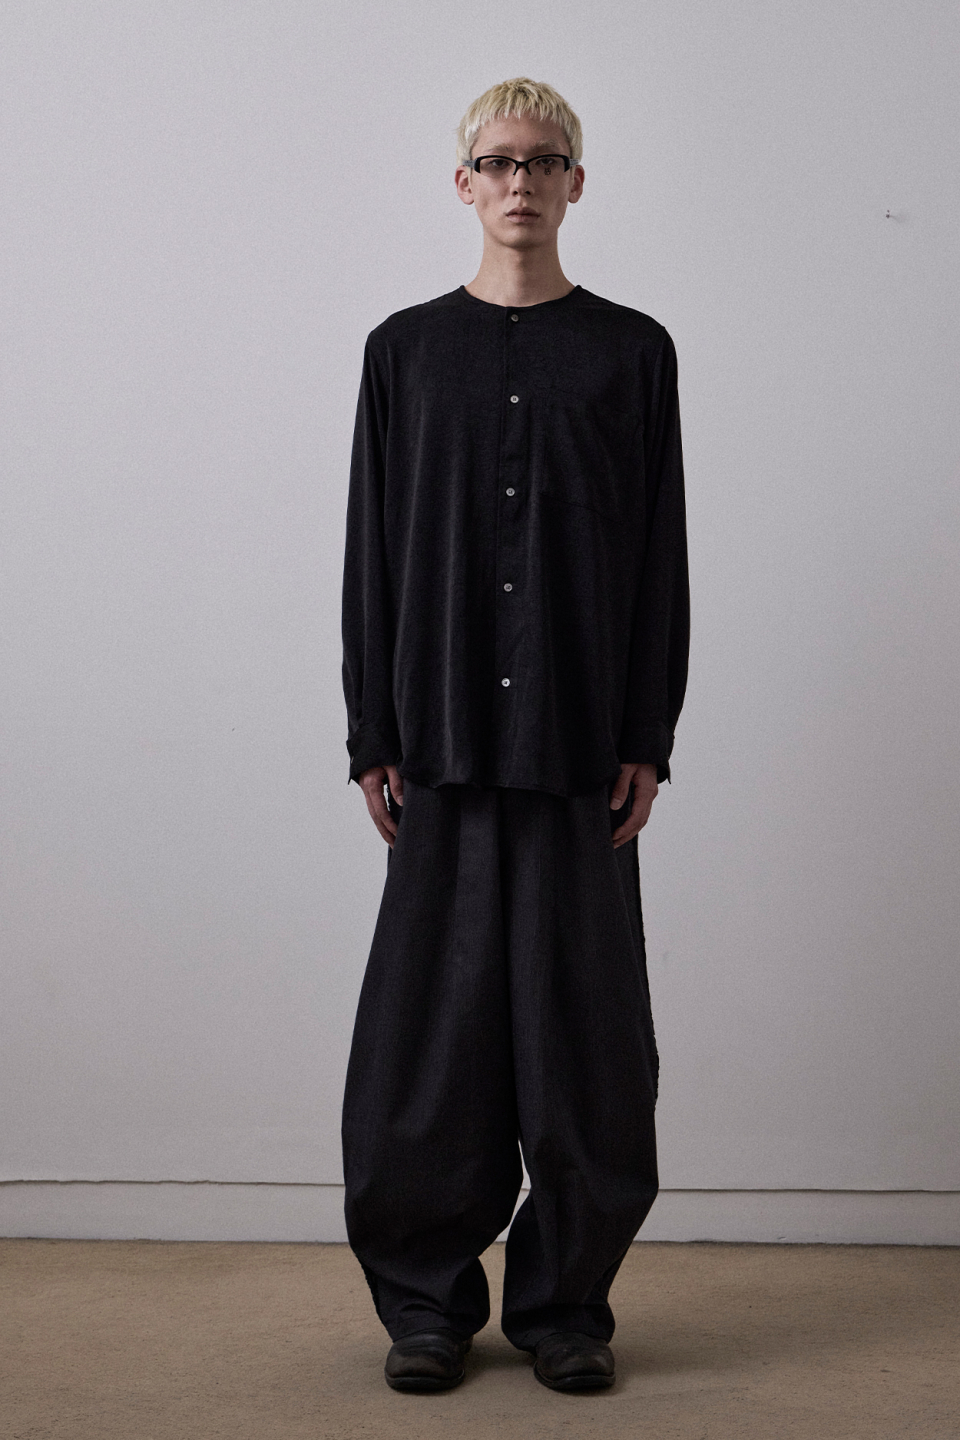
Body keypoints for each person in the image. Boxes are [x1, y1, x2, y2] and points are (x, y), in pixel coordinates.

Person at [340, 77, 689, 1395]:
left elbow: (658, 556)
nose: (521, 181)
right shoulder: (405, 352)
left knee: (588, 1046)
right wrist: (372, 728)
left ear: (576, 183)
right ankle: (426, 1304)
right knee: (426, 1047)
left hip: (577, 745)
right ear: (465, 183)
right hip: (438, 741)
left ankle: (566, 1307)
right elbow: (372, 552)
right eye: (498, 161)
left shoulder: (630, 353)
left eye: (545, 161)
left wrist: (645, 732)